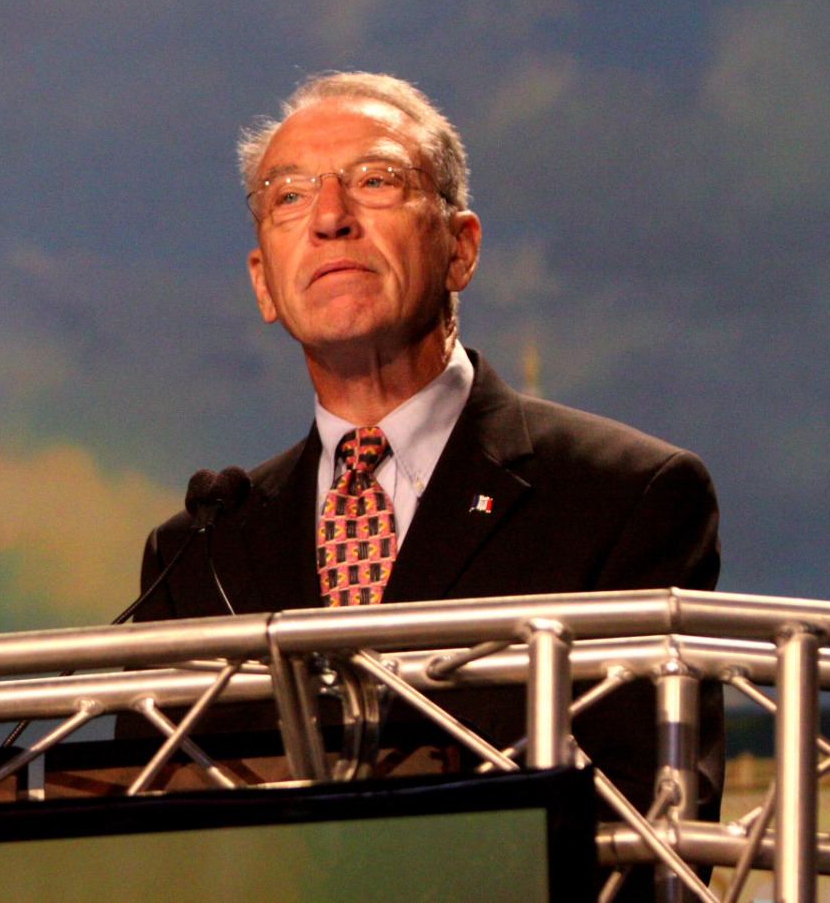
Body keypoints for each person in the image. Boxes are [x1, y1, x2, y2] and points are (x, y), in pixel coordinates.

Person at [131, 72, 722, 826]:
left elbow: (646, 833)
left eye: (375, 181)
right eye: (289, 195)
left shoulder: (625, 496)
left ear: (460, 249)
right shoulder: (199, 552)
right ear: (264, 285)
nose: (331, 218)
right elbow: (149, 834)